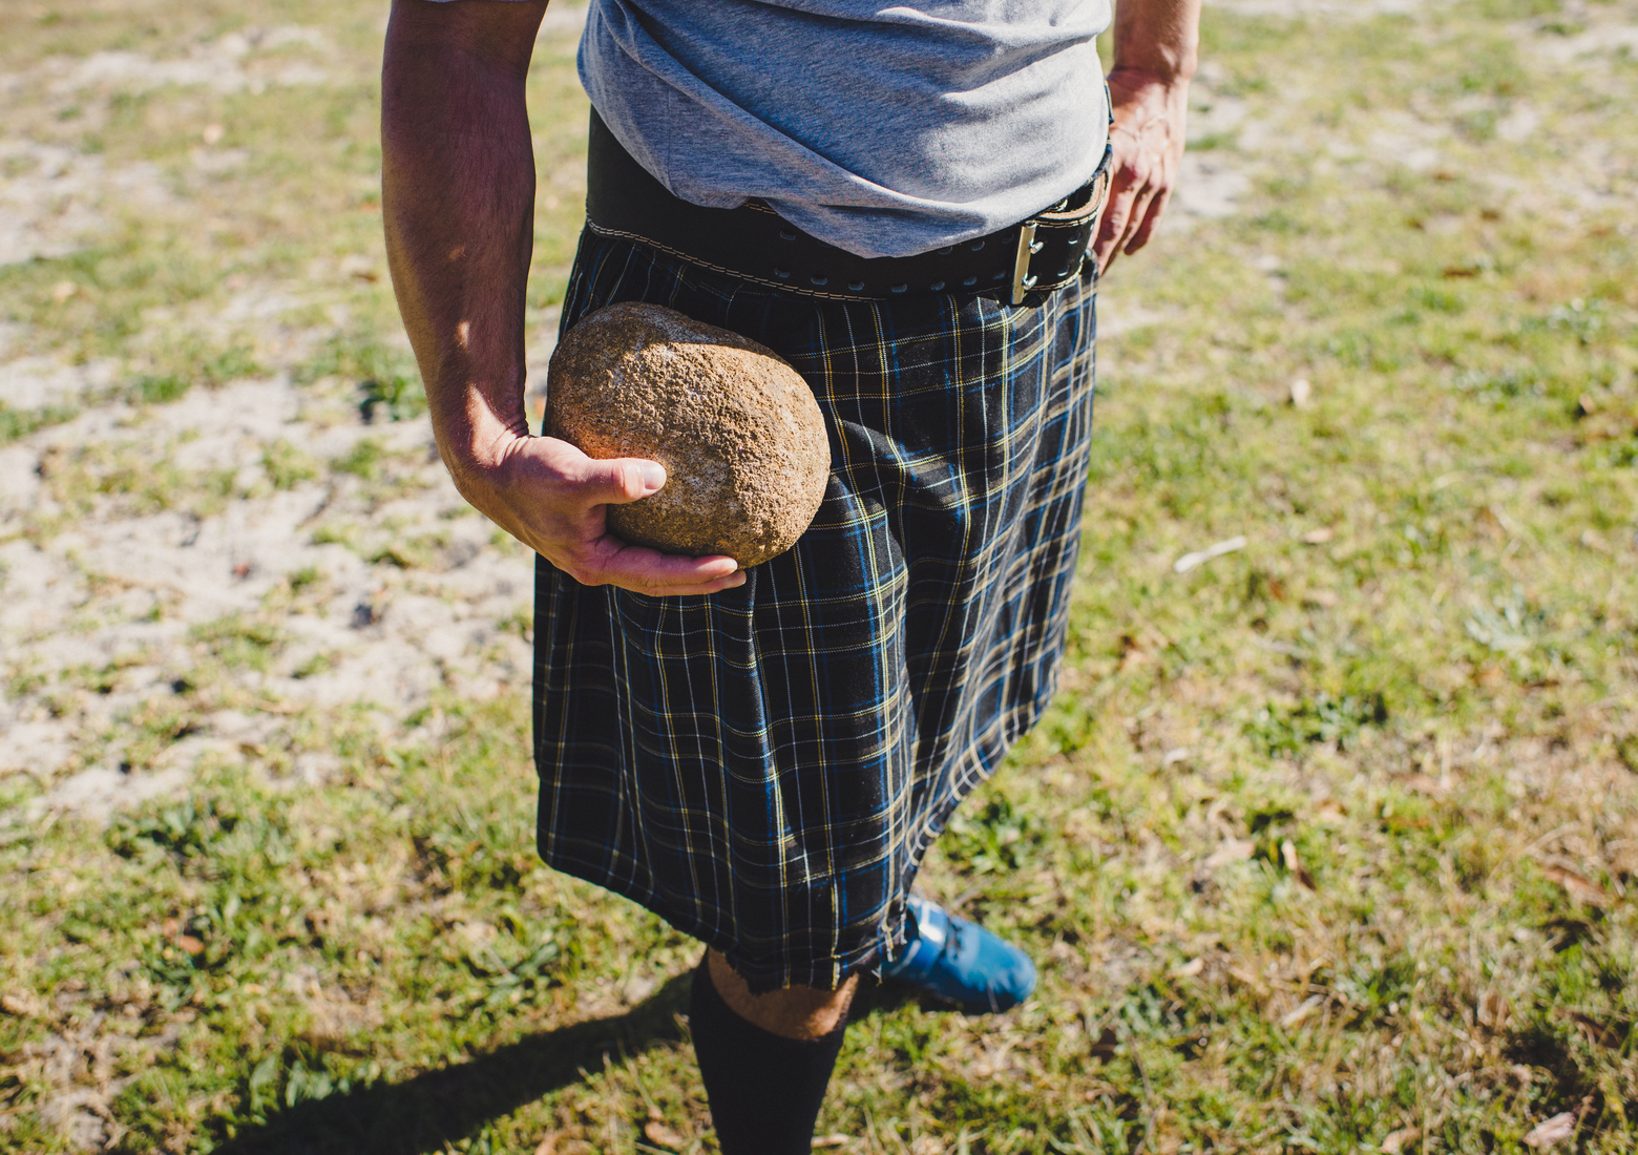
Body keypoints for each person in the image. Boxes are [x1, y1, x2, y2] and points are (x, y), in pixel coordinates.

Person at [382, 0, 1198, 1148]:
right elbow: (455, 40)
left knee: (913, 732)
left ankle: (873, 913)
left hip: (1027, 300)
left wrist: (1154, 73)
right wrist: (477, 421)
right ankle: (830, 943)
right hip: (748, 348)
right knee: (792, 915)